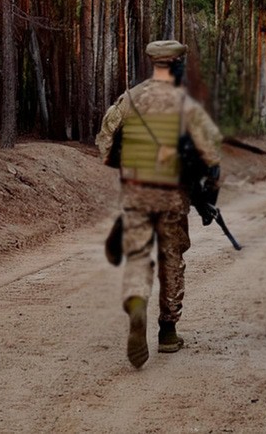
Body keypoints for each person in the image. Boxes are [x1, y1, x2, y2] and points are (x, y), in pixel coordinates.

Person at [97, 40, 223, 368]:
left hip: (137, 192)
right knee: (171, 257)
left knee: (138, 254)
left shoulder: (131, 97)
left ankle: (137, 304)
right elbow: (212, 158)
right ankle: (168, 332)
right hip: (173, 197)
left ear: (154, 64)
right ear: (178, 66)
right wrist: (208, 197)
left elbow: (105, 139)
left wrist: (126, 169)